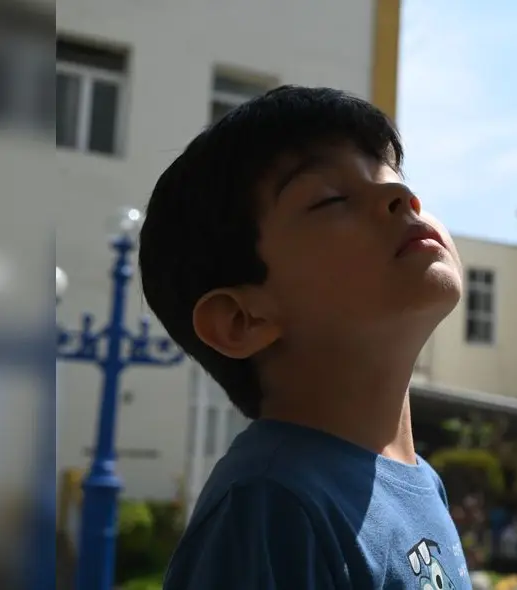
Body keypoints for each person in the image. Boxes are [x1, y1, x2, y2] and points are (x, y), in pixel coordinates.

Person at [140, 86, 469, 589]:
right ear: (241, 320)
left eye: (394, 179)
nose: (402, 198)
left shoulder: (423, 482)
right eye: (332, 199)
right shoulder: (270, 503)